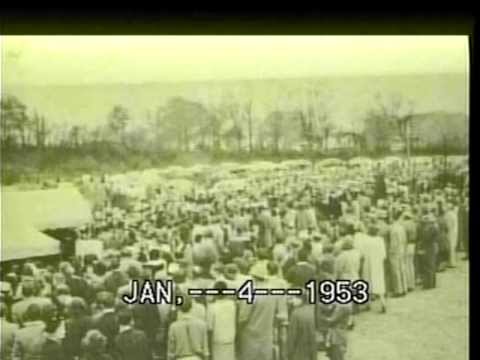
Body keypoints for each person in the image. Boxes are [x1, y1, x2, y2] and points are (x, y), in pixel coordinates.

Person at [237, 262, 287, 360]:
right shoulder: (272, 293)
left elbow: (243, 317)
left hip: (250, 337)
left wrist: (238, 331)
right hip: (266, 336)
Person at [168, 295, 209, 360]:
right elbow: (206, 351)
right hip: (197, 357)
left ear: (180, 308)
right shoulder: (202, 325)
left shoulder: (173, 326)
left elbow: (171, 351)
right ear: (191, 307)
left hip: (180, 357)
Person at [206, 280, 236, 360]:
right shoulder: (232, 304)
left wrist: (208, 348)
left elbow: (210, 328)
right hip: (230, 339)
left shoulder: (212, 307)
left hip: (217, 342)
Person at [287, 293, 317, 360]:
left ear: (300, 299)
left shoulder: (295, 314)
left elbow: (292, 336)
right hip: (310, 352)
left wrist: (289, 353)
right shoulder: (311, 311)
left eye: (293, 298)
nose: (292, 301)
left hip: (298, 352)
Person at [387, 212, 408, 297]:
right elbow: (405, 240)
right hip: (402, 249)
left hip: (395, 251)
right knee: (402, 269)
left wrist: (390, 251)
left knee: (396, 271)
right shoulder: (401, 228)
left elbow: (393, 243)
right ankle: (404, 288)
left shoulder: (394, 229)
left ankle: (398, 290)